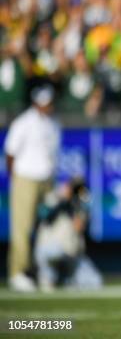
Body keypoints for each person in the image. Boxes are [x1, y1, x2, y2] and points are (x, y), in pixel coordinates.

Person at [4, 84, 61, 292]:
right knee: (22, 227)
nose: (49, 107)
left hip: (47, 180)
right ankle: (17, 272)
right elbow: (10, 153)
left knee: (47, 227)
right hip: (26, 178)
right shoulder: (24, 123)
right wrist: (16, 179)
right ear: (37, 104)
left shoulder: (53, 124)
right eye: (46, 104)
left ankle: (43, 271)